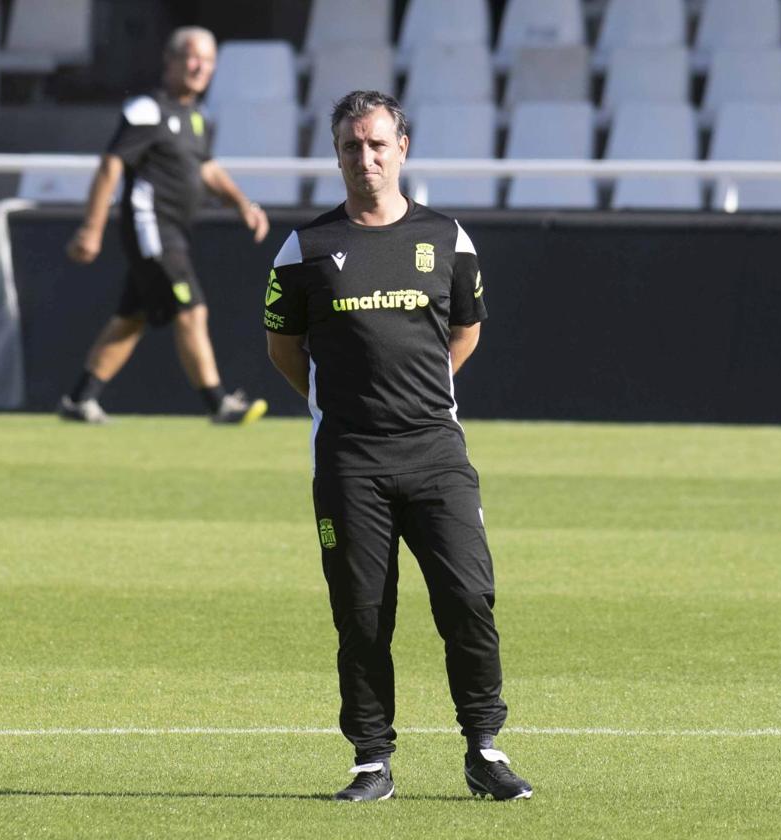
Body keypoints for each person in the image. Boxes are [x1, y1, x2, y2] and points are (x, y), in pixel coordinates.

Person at [263, 90, 533, 802]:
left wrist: (422, 395)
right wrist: (335, 407)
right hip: (351, 461)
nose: (366, 158)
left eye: (378, 144)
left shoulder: (448, 240)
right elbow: (283, 346)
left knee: (469, 597)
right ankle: (371, 761)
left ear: (402, 149)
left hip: (436, 454)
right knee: (361, 612)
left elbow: (466, 330)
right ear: (337, 153)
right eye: (352, 146)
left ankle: (485, 749)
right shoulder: (305, 249)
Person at [59, 26, 269, 425]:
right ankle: (219, 404)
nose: (199, 67)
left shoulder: (197, 118)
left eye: (208, 61)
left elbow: (207, 169)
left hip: (173, 231)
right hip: (151, 228)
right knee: (191, 309)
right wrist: (91, 228)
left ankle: (78, 401)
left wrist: (243, 204)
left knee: (132, 317)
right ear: (169, 61)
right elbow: (111, 164)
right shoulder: (147, 110)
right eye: (191, 57)